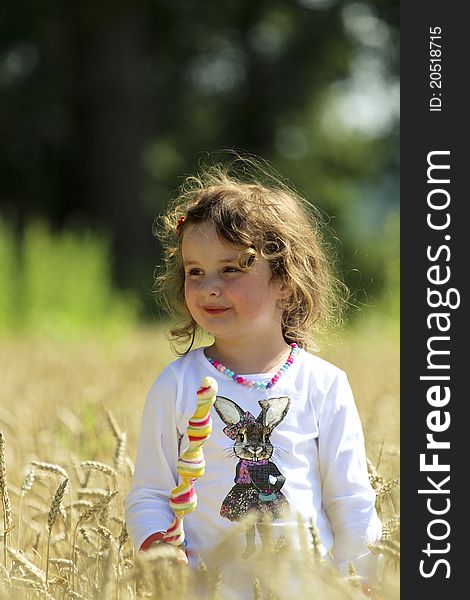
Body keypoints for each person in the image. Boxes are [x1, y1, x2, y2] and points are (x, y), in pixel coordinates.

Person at [125, 157, 382, 596]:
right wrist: (158, 549)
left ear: (285, 280)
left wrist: (361, 581)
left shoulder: (322, 384)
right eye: (195, 271)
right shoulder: (178, 384)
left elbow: (351, 502)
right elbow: (149, 494)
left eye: (231, 269)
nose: (209, 287)